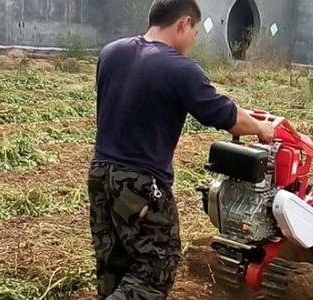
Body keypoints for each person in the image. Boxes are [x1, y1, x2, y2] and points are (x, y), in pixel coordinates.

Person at [87, 0, 275, 299]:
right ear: (183, 23)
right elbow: (227, 117)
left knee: (113, 265)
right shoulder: (179, 67)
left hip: (100, 176)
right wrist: (262, 128)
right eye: (196, 32)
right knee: (155, 269)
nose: (193, 40)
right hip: (141, 184)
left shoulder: (111, 53)